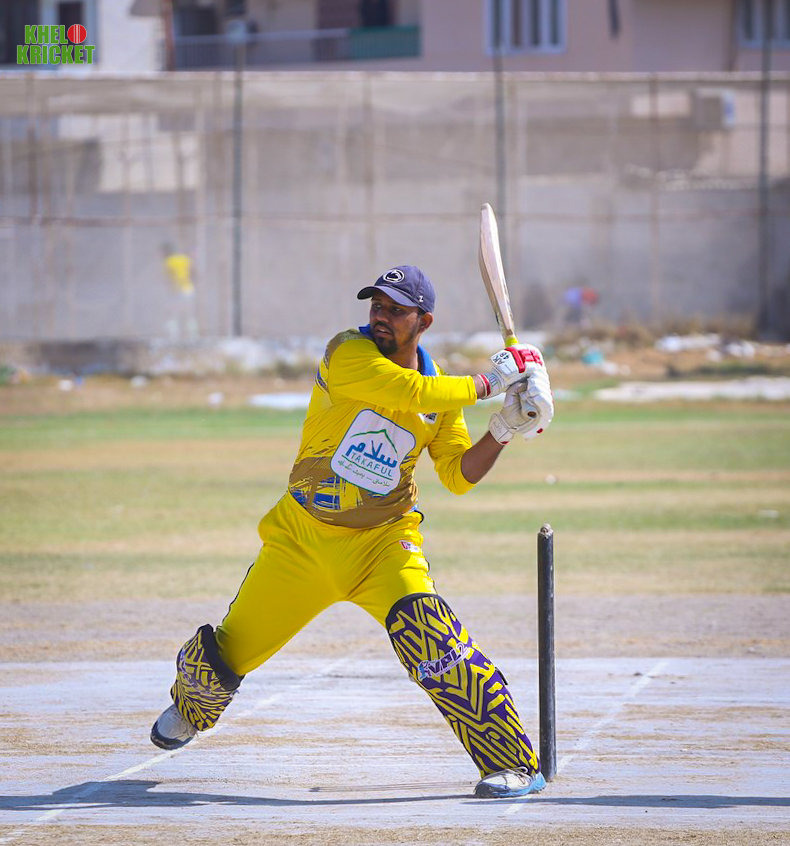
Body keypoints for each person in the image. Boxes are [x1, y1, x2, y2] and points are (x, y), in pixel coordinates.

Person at [150, 265, 555, 799]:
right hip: (303, 539)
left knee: (435, 639)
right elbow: (408, 391)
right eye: (376, 306)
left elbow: (458, 475)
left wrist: (503, 429)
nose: (381, 317)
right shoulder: (348, 353)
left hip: (383, 545)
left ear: (424, 321)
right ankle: (189, 708)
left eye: (396, 310)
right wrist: (491, 383)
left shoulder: (440, 395)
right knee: (227, 654)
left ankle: (510, 764)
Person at [161, 243, 197, 341]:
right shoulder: (184, 259)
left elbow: (168, 278)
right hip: (189, 290)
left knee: (172, 313)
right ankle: (193, 336)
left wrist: (171, 288)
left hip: (176, 291)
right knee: (189, 314)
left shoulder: (168, 261)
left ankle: (173, 337)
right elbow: (193, 272)